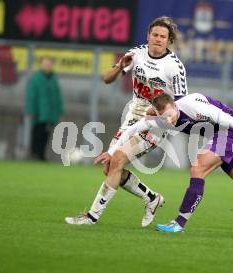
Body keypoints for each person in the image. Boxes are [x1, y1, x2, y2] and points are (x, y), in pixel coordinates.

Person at [98, 92, 233, 233]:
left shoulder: (193, 106)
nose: (169, 121)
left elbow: (232, 121)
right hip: (218, 137)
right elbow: (134, 129)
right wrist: (111, 151)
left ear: (175, 105)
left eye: (170, 115)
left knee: (198, 168)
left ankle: (179, 223)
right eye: (163, 118)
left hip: (228, 131)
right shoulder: (161, 118)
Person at [65, 16, 188, 228]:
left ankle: (91, 217)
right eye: (155, 35)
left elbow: (181, 104)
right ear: (148, 35)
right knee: (111, 167)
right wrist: (120, 66)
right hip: (132, 116)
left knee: (118, 159)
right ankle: (151, 198)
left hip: (155, 123)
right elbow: (107, 78)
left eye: (163, 37)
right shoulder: (135, 54)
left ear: (169, 41)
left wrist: (164, 116)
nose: (158, 39)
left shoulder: (175, 67)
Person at [26, 56, 64, 161]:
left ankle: (41, 155)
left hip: (50, 113)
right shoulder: (36, 79)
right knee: (37, 133)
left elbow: (58, 96)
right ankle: (34, 154)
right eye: (45, 63)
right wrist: (31, 110)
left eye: (49, 64)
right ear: (41, 65)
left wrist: (60, 109)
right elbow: (31, 96)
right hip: (39, 113)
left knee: (46, 135)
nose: (47, 66)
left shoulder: (53, 79)